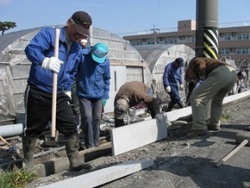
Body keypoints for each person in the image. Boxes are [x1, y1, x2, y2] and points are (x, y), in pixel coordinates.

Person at [23, 11, 92, 171]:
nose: (79, 36)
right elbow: (31, 49)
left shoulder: (76, 48)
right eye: (78, 31)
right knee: (33, 129)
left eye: (83, 34)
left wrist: (67, 90)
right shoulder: (50, 34)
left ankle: (75, 161)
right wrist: (44, 60)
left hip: (59, 92)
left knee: (70, 125)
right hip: (38, 90)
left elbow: (71, 72)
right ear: (69, 23)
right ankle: (27, 164)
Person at [185, 57, 237, 137]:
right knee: (217, 101)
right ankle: (214, 124)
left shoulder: (193, 62)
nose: (194, 78)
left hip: (221, 72)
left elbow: (200, 62)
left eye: (191, 77)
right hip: (232, 74)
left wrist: (202, 78)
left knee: (197, 98)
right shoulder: (210, 63)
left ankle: (199, 128)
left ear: (189, 71)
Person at [76, 42, 110, 149]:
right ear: (92, 51)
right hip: (84, 93)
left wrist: (105, 96)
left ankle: (96, 143)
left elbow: (107, 79)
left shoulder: (105, 62)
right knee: (87, 117)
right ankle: (89, 144)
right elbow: (72, 71)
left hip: (99, 95)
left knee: (97, 118)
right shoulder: (82, 55)